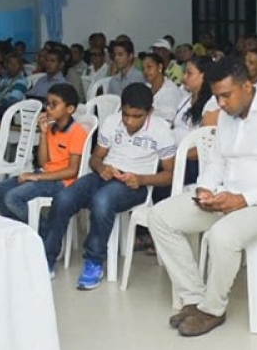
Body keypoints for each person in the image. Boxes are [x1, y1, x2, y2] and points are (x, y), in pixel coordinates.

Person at [149, 56, 257, 337]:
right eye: (216, 96)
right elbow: (217, 163)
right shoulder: (227, 117)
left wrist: (243, 198)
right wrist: (205, 189)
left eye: (226, 96)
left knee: (222, 235)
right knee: (159, 217)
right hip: (226, 199)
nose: (220, 104)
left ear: (247, 86)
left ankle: (212, 310)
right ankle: (195, 298)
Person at [41, 83, 176, 289]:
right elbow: (95, 158)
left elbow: (169, 175)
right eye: (126, 114)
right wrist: (101, 167)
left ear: (149, 112)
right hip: (105, 175)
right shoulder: (112, 121)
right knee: (64, 197)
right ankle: (47, 259)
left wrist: (141, 179)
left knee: (102, 201)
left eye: (137, 116)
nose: (129, 121)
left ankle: (94, 262)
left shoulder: (161, 130)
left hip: (135, 184)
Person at [0, 84, 89, 223]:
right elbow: (43, 162)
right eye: (47, 104)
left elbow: (72, 171)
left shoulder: (77, 132)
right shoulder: (51, 127)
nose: (48, 108)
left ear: (70, 109)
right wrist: (43, 133)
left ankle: (43, 232)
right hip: (45, 174)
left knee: (12, 198)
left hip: (62, 182)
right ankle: (24, 229)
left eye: (54, 105)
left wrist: (38, 177)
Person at [0, 53, 30, 158]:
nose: (11, 66)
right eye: (9, 63)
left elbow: (14, 100)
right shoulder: (4, 80)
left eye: (15, 64)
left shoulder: (22, 81)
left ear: (20, 66)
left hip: (11, 111)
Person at [141, 51, 185, 125]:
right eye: (143, 68)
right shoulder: (145, 87)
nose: (145, 71)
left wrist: (150, 111)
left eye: (149, 67)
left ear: (160, 67)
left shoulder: (171, 90)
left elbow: (169, 119)